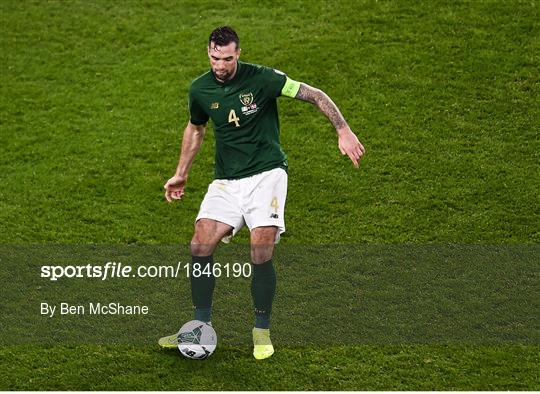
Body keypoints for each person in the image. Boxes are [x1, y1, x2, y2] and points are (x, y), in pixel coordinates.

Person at [158, 26, 365, 360]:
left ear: (238, 54)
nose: (220, 66)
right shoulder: (200, 89)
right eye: (214, 58)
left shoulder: (263, 79)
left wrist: (343, 130)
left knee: (260, 250)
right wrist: (181, 174)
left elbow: (315, 94)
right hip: (226, 179)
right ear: (208, 54)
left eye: (226, 58)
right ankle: (200, 325)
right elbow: (195, 129)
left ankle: (261, 330)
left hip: (267, 174)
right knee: (199, 244)